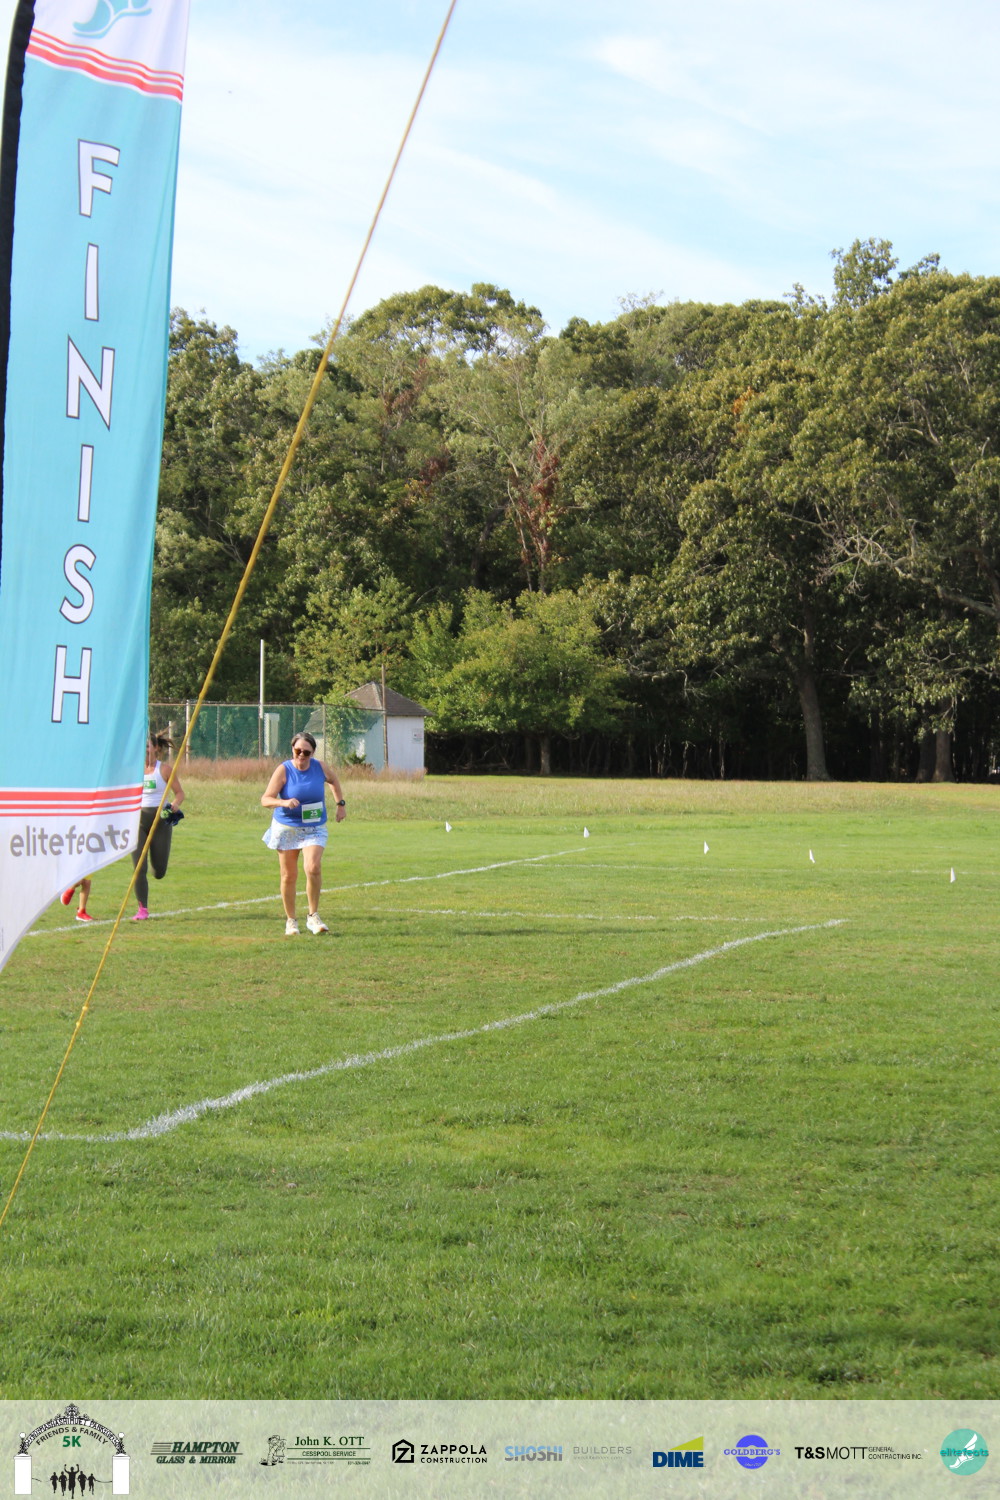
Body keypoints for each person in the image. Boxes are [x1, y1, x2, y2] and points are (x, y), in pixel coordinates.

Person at [261, 731, 345, 936]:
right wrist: (283, 802)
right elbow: (266, 799)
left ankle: (313, 916)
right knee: (289, 875)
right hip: (287, 827)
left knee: (313, 867)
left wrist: (340, 804)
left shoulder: (320, 767)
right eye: (298, 750)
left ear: (312, 753)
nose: (301, 755)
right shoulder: (284, 770)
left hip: (314, 827)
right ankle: (291, 921)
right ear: (292, 749)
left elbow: (333, 781)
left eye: (306, 752)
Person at [131, 730, 185, 921]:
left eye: (147, 746)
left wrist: (174, 805)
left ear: (155, 748)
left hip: (160, 821)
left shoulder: (164, 770)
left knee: (159, 871)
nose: (145, 750)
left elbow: (180, 793)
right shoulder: (134, 770)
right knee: (139, 867)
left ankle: (157, 869)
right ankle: (142, 909)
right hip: (138, 822)